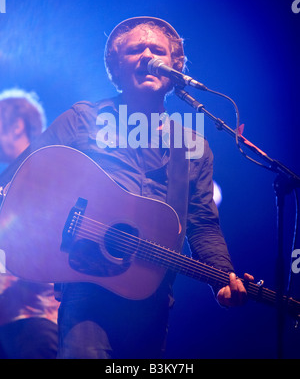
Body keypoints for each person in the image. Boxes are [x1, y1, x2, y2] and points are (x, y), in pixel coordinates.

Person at [0, 18, 253, 359]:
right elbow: (18, 178)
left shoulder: (193, 145)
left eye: (158, 51)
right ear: (116, 68)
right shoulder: (83, 119)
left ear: (175, 69)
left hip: (153, 294)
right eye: (136, 50)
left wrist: (222, 276)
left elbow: (203, 224)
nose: (147, 56)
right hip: (87, 287)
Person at [0, 89, 59, 359]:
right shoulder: (10, 177)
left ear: (17, 127)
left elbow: (48, 245)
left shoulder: (41, 173)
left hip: (35, 318)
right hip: (10, 317)